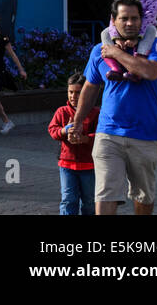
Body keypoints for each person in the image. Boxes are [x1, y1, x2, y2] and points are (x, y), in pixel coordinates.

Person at [68, 0, 157, 216]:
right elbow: (90, 88)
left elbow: (149, 72)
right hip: (108, 133)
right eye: (125, 18)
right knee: (105, 193)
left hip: (145, 134)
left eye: (135, 18)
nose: (130, 23)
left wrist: (117, 53)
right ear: (114, 20)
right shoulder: (98, 51)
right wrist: (77, 122)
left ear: (143, 20)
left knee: (143, 196)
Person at [48, 73, 98, 215]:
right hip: (67, 165)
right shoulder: (62, 112)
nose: (73, 96)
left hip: (89, 165)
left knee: (89, 200)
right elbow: (52, 130)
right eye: (71, 92)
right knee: (69, 199)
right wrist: (64, 131)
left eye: (78, 92)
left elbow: (101, 136)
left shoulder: (95, 113)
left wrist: (85, 139)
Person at [100, 0, 157, 81]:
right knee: (105, 32)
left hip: (142, 30)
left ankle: (138, 64)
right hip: (122, 33)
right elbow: (113, 20)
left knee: (152, 29)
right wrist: (117, 38)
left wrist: (136, 38)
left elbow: (147, 19)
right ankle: (114, 67)